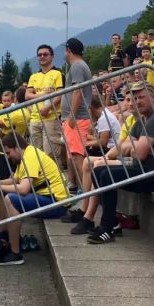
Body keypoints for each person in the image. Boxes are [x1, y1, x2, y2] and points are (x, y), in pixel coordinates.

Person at [86, 81, 154, 244]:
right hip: (142, 168)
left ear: (152, 97)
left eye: (141, 97)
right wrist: (135, 146)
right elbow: (125, 146)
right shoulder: (143, 120)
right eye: (134, 98)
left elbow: (140, 154)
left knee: (108, 176)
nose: (137, 102)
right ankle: (113, 222)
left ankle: (106, 228)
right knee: (98, 171)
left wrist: (134, 147)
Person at [0, 135, 69, 265]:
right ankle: (3, 238)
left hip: (56, 202)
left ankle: (15, 254)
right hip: (46, 198)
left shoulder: (30, 156)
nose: (7, 156)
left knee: (10, 199)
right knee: (0, 192)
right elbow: (15, 180)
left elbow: (23, 188)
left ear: (17, 148)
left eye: (8, 152)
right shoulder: (25, 156)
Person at [61, 38, 93, 191]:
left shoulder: (77, 66)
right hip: (76, 118)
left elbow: (77, 91)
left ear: (69, 50)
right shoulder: (79, 65)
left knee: (77, 157)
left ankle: (88, 193)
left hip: (77, 119)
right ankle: (78, 188)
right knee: (73, 155)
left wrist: (72, 116)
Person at [27, 44, 65, 166]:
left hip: (51, 118)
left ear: (52, 56)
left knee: (51, 155)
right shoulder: (34, 76)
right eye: (39, 55)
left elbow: (59, 95)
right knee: (37, 155)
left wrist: (48, 107)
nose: (42, 56)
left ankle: (57, 182)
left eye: (45, 54)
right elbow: (27, 95)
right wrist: (43, 95)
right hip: (35, 119)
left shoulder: (57, 74)